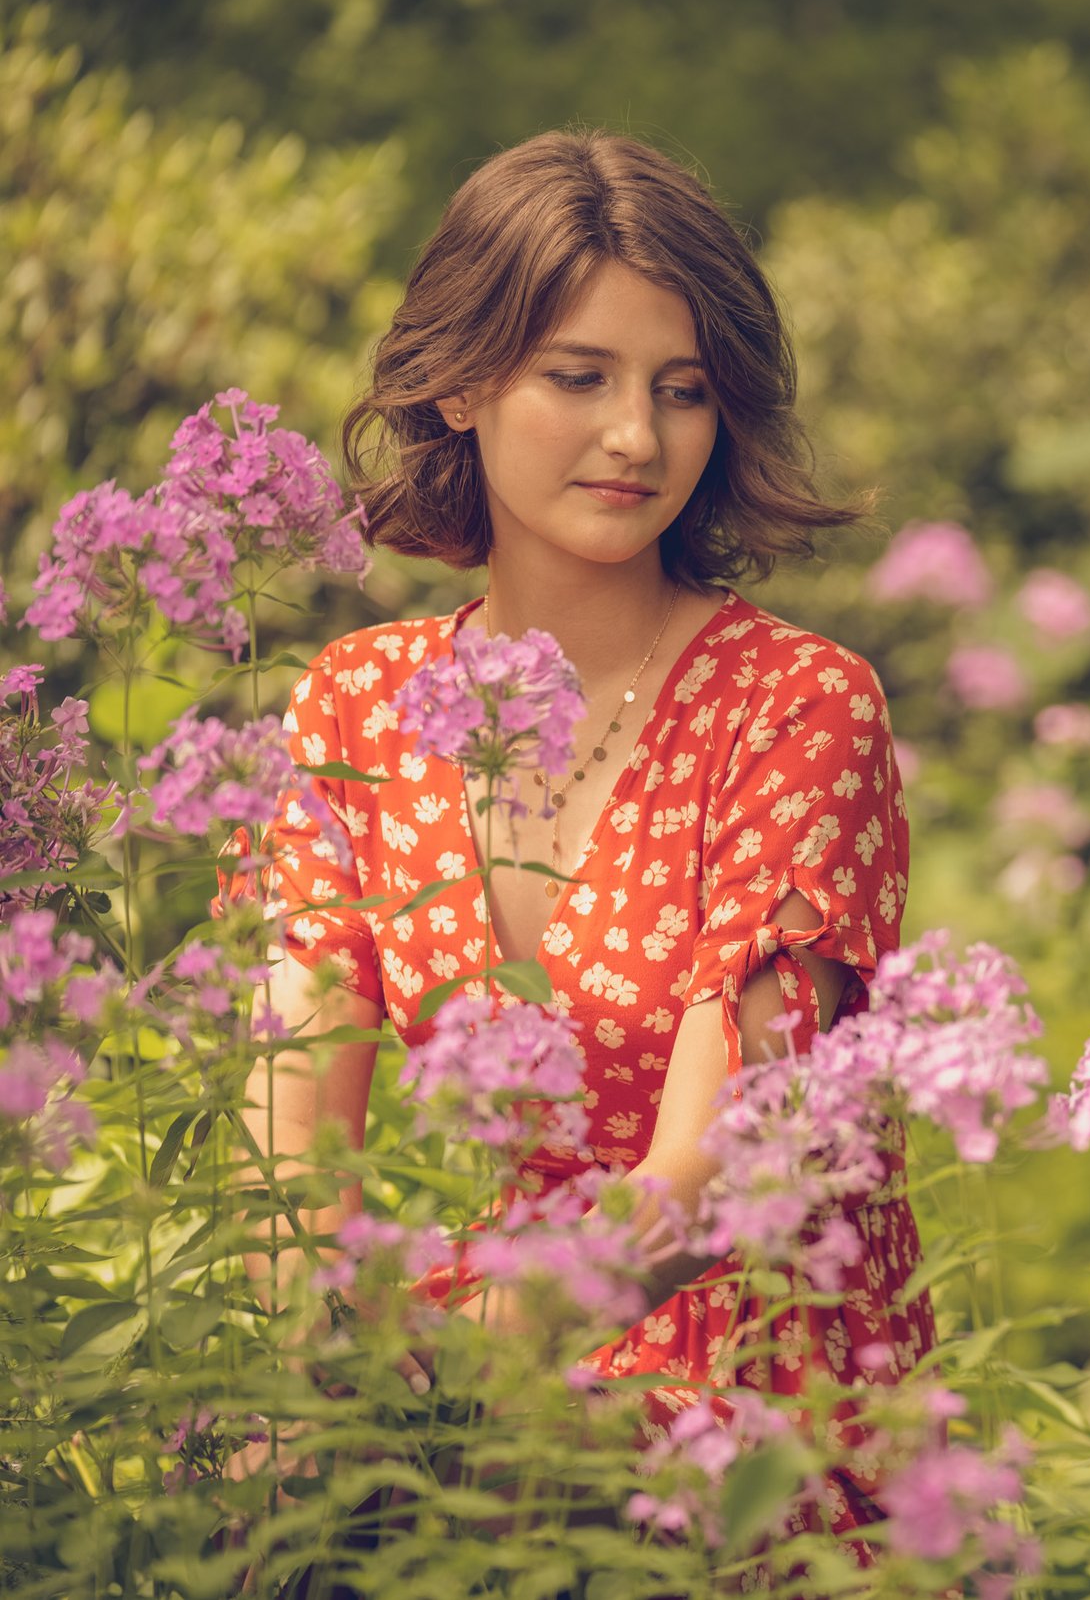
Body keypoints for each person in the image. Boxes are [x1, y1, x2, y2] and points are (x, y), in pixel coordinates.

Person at [209, 127, 934, 1557]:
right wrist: (322, 1377)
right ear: (465, 384)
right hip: (421, 1394)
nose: (636, 439)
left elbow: (714, 1176)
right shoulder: (358, 701)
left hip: (727, 1421)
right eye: (580, 377)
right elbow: (292, 1151)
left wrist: (453, 1377)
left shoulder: (799, 709)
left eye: (682, 392)